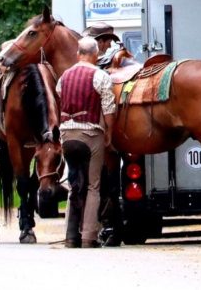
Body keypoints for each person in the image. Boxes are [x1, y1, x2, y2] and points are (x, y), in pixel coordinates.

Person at [57, 36, 117, 248]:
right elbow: (109, 108)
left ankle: (71, 236)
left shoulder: (64, 76)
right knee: (93, 186)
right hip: (90, 135)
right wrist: (109, 132)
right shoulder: (100, 76)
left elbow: (59, 96)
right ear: (96, 55)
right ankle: (88, 237)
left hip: (66, 136)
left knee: (74, 184)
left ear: (77, 54)